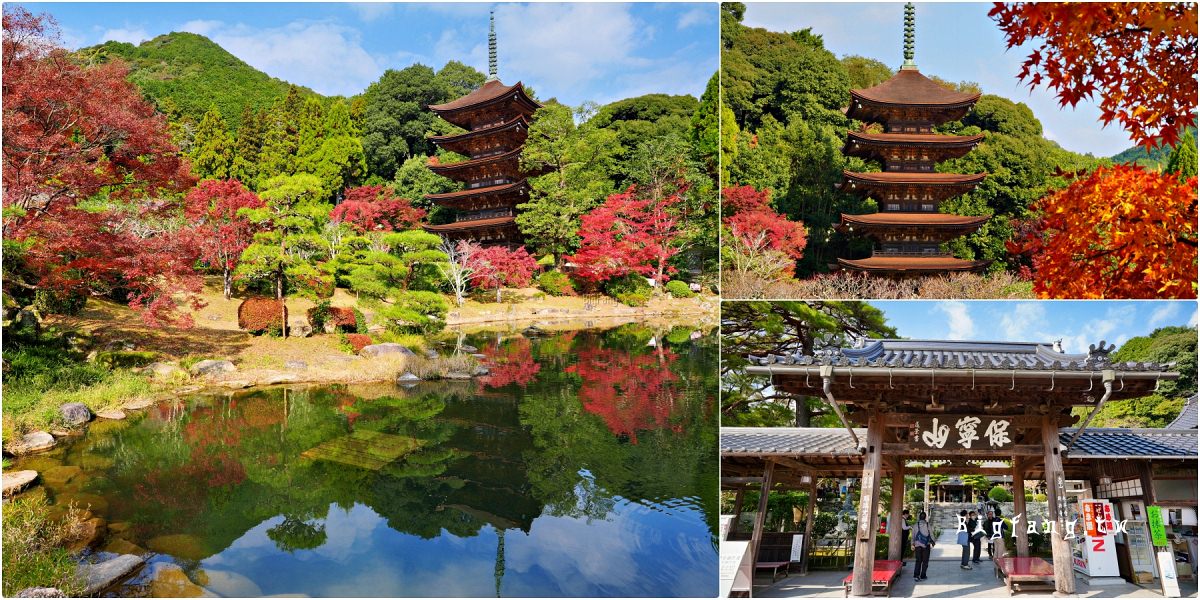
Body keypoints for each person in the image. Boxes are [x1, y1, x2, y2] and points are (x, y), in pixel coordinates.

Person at [912, 511, 934, 581]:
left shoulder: (915, 525)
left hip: (917, 546)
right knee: (925, 561)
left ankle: (916, 575)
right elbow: (931, 534)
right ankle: (923, 575)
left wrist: (912, 544)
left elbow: (913, 536)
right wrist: (933, 542)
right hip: (926, 545)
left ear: (919, 517)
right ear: (925, 517)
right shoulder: (928, 525)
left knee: (918, 560)